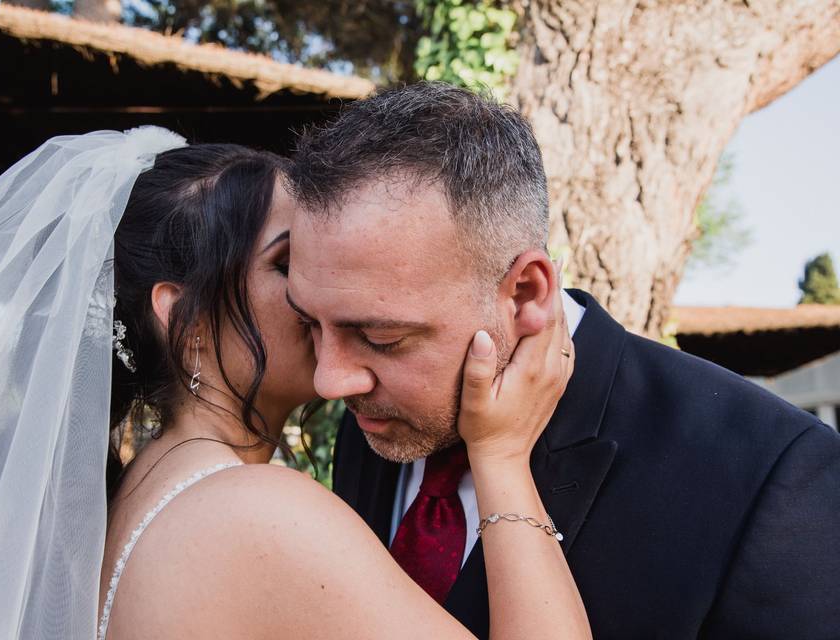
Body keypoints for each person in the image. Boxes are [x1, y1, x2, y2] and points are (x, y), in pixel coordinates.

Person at [0, 127, 591, 639]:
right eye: (287, 264)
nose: (322, 290)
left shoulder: (135, 492)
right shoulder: (254, 513)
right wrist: (499, 459)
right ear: (185, 322)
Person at [285, 81, 840, 639]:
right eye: (310, 323)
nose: (329, 380)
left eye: (381, 336)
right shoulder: (373, 420)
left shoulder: (776, 476)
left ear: (526, 292)